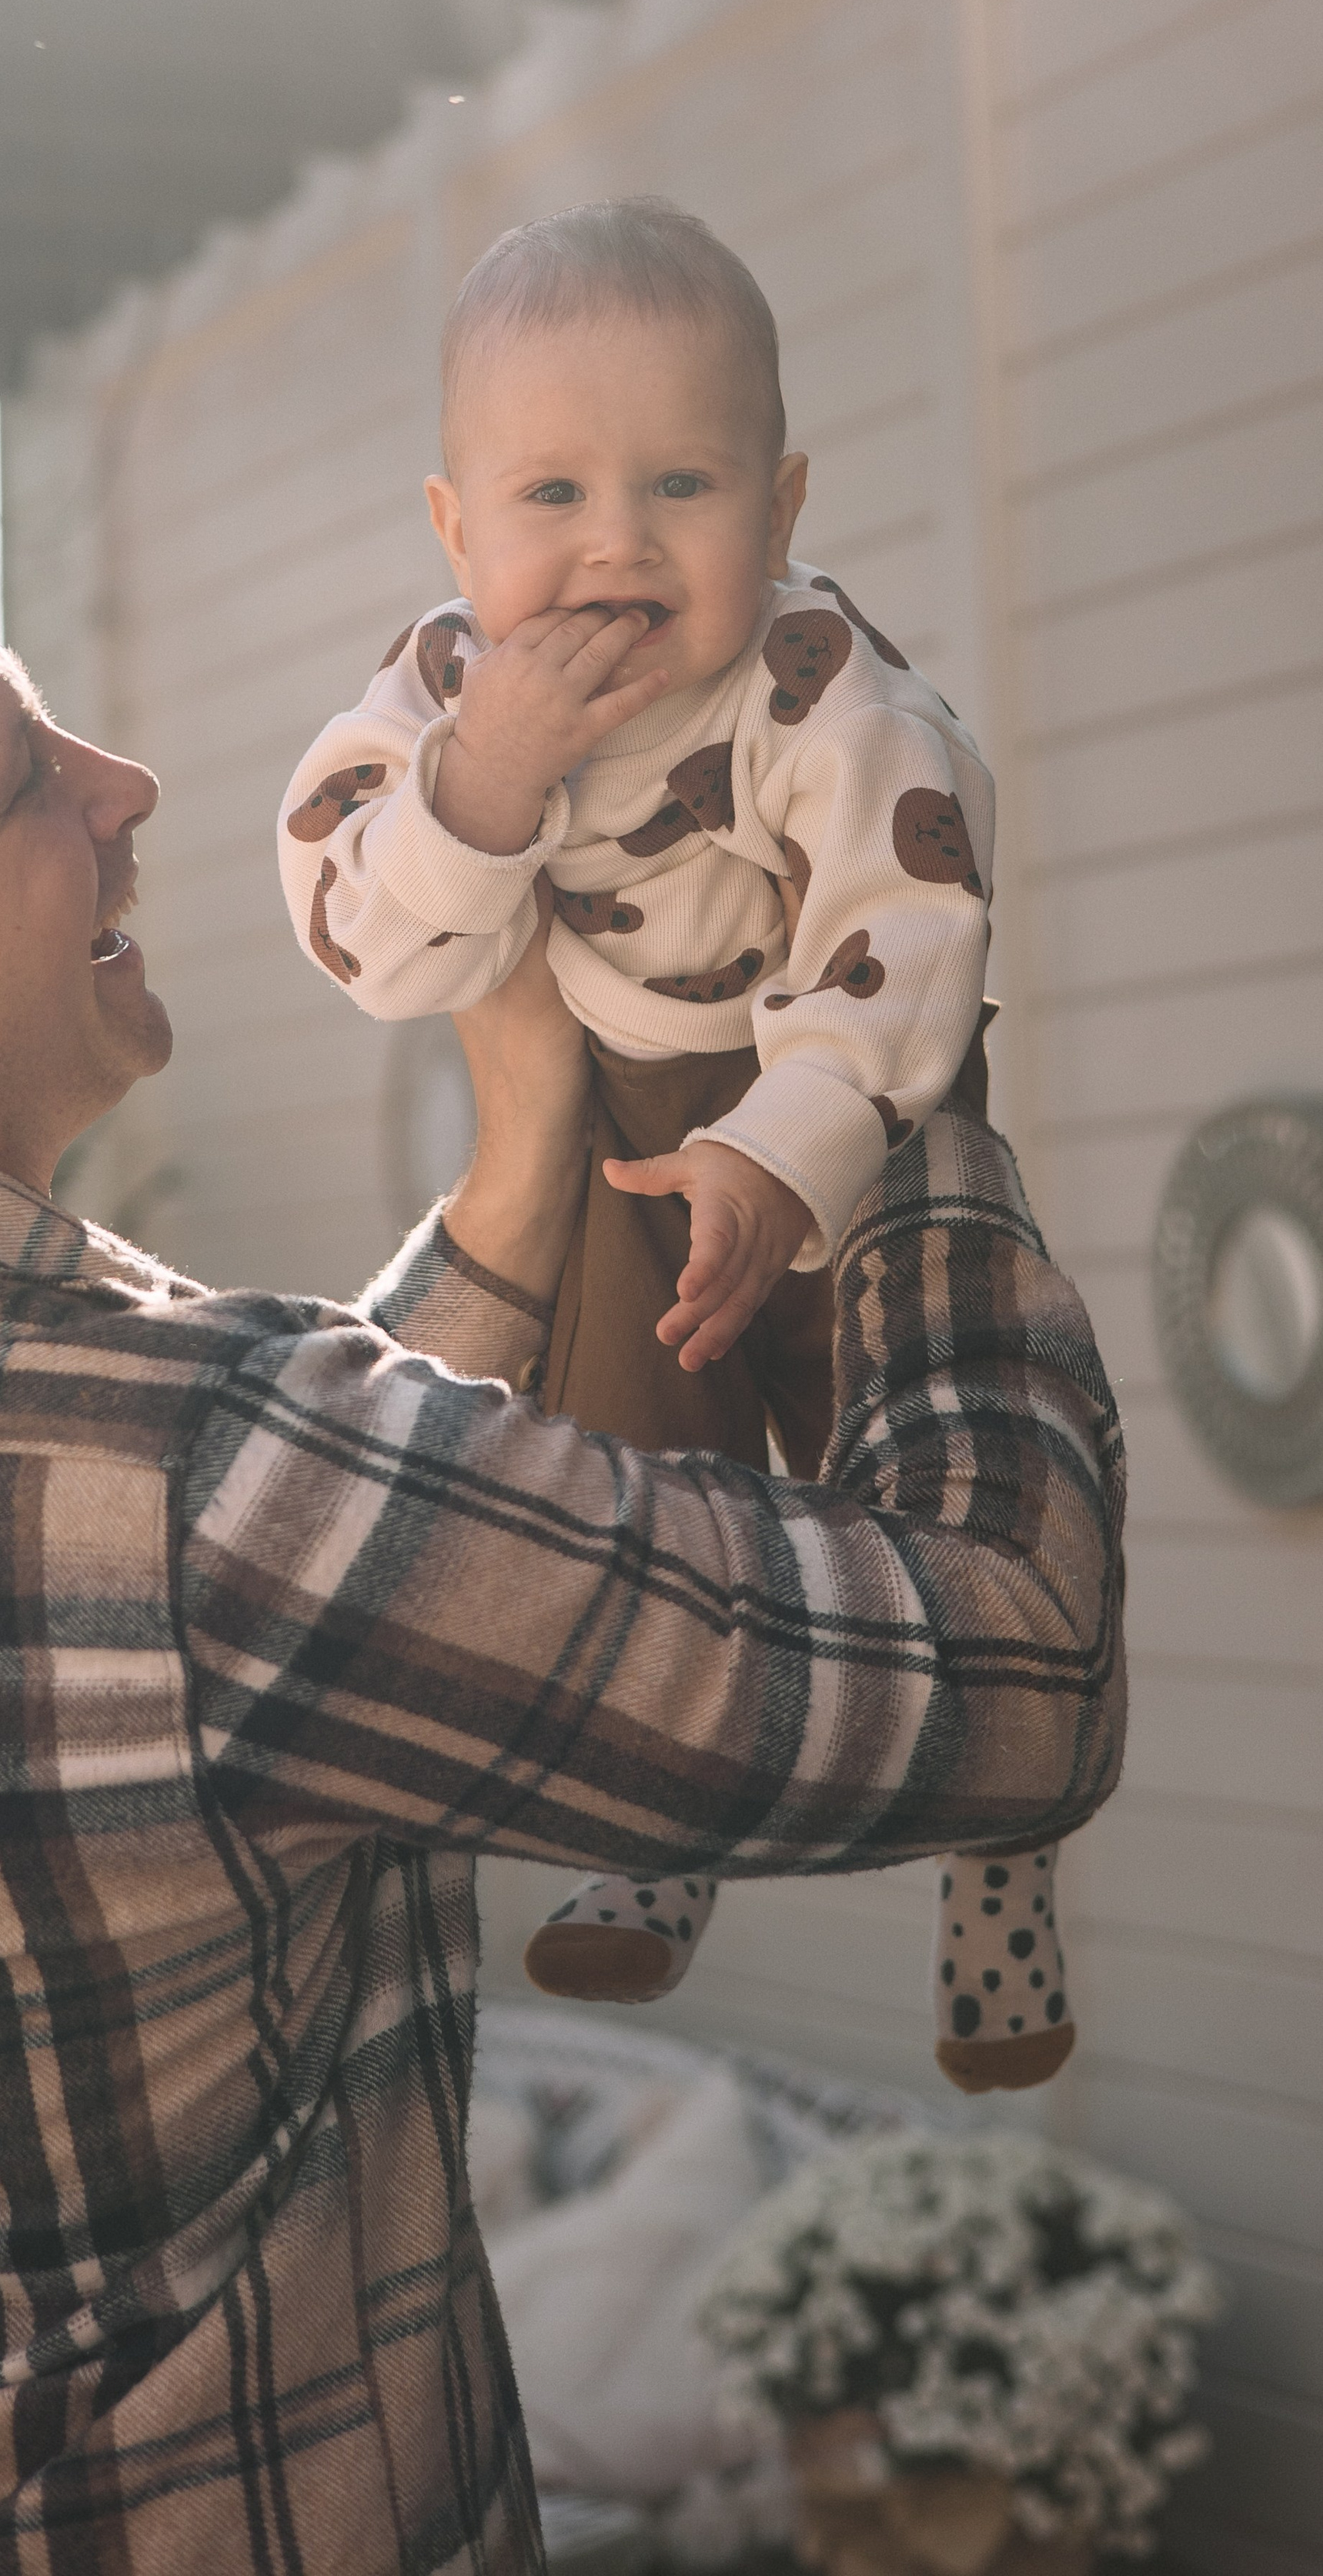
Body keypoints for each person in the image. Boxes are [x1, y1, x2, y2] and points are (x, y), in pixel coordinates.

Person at [0, 525, 1123, 2576]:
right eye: (21, 784)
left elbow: (199, 1599)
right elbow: (1014, 1678)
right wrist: (895, 1084)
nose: (123, 786)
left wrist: (519, 1170)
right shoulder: (204, 1498)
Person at [278, 199, 1063, 2090]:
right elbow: (367, 943)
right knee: (636, 1476)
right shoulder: (439, 700)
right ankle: (656, 1828)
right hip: (628, 1133)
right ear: (455, 531)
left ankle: (1004, 1855)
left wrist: (786, 1150)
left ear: (778, 511)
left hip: (857, 1111)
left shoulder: (817, 680)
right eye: (550, 493)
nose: (616, 542)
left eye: (681, 486)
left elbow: (908, 927)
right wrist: (481, 785)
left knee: (945, 1484)